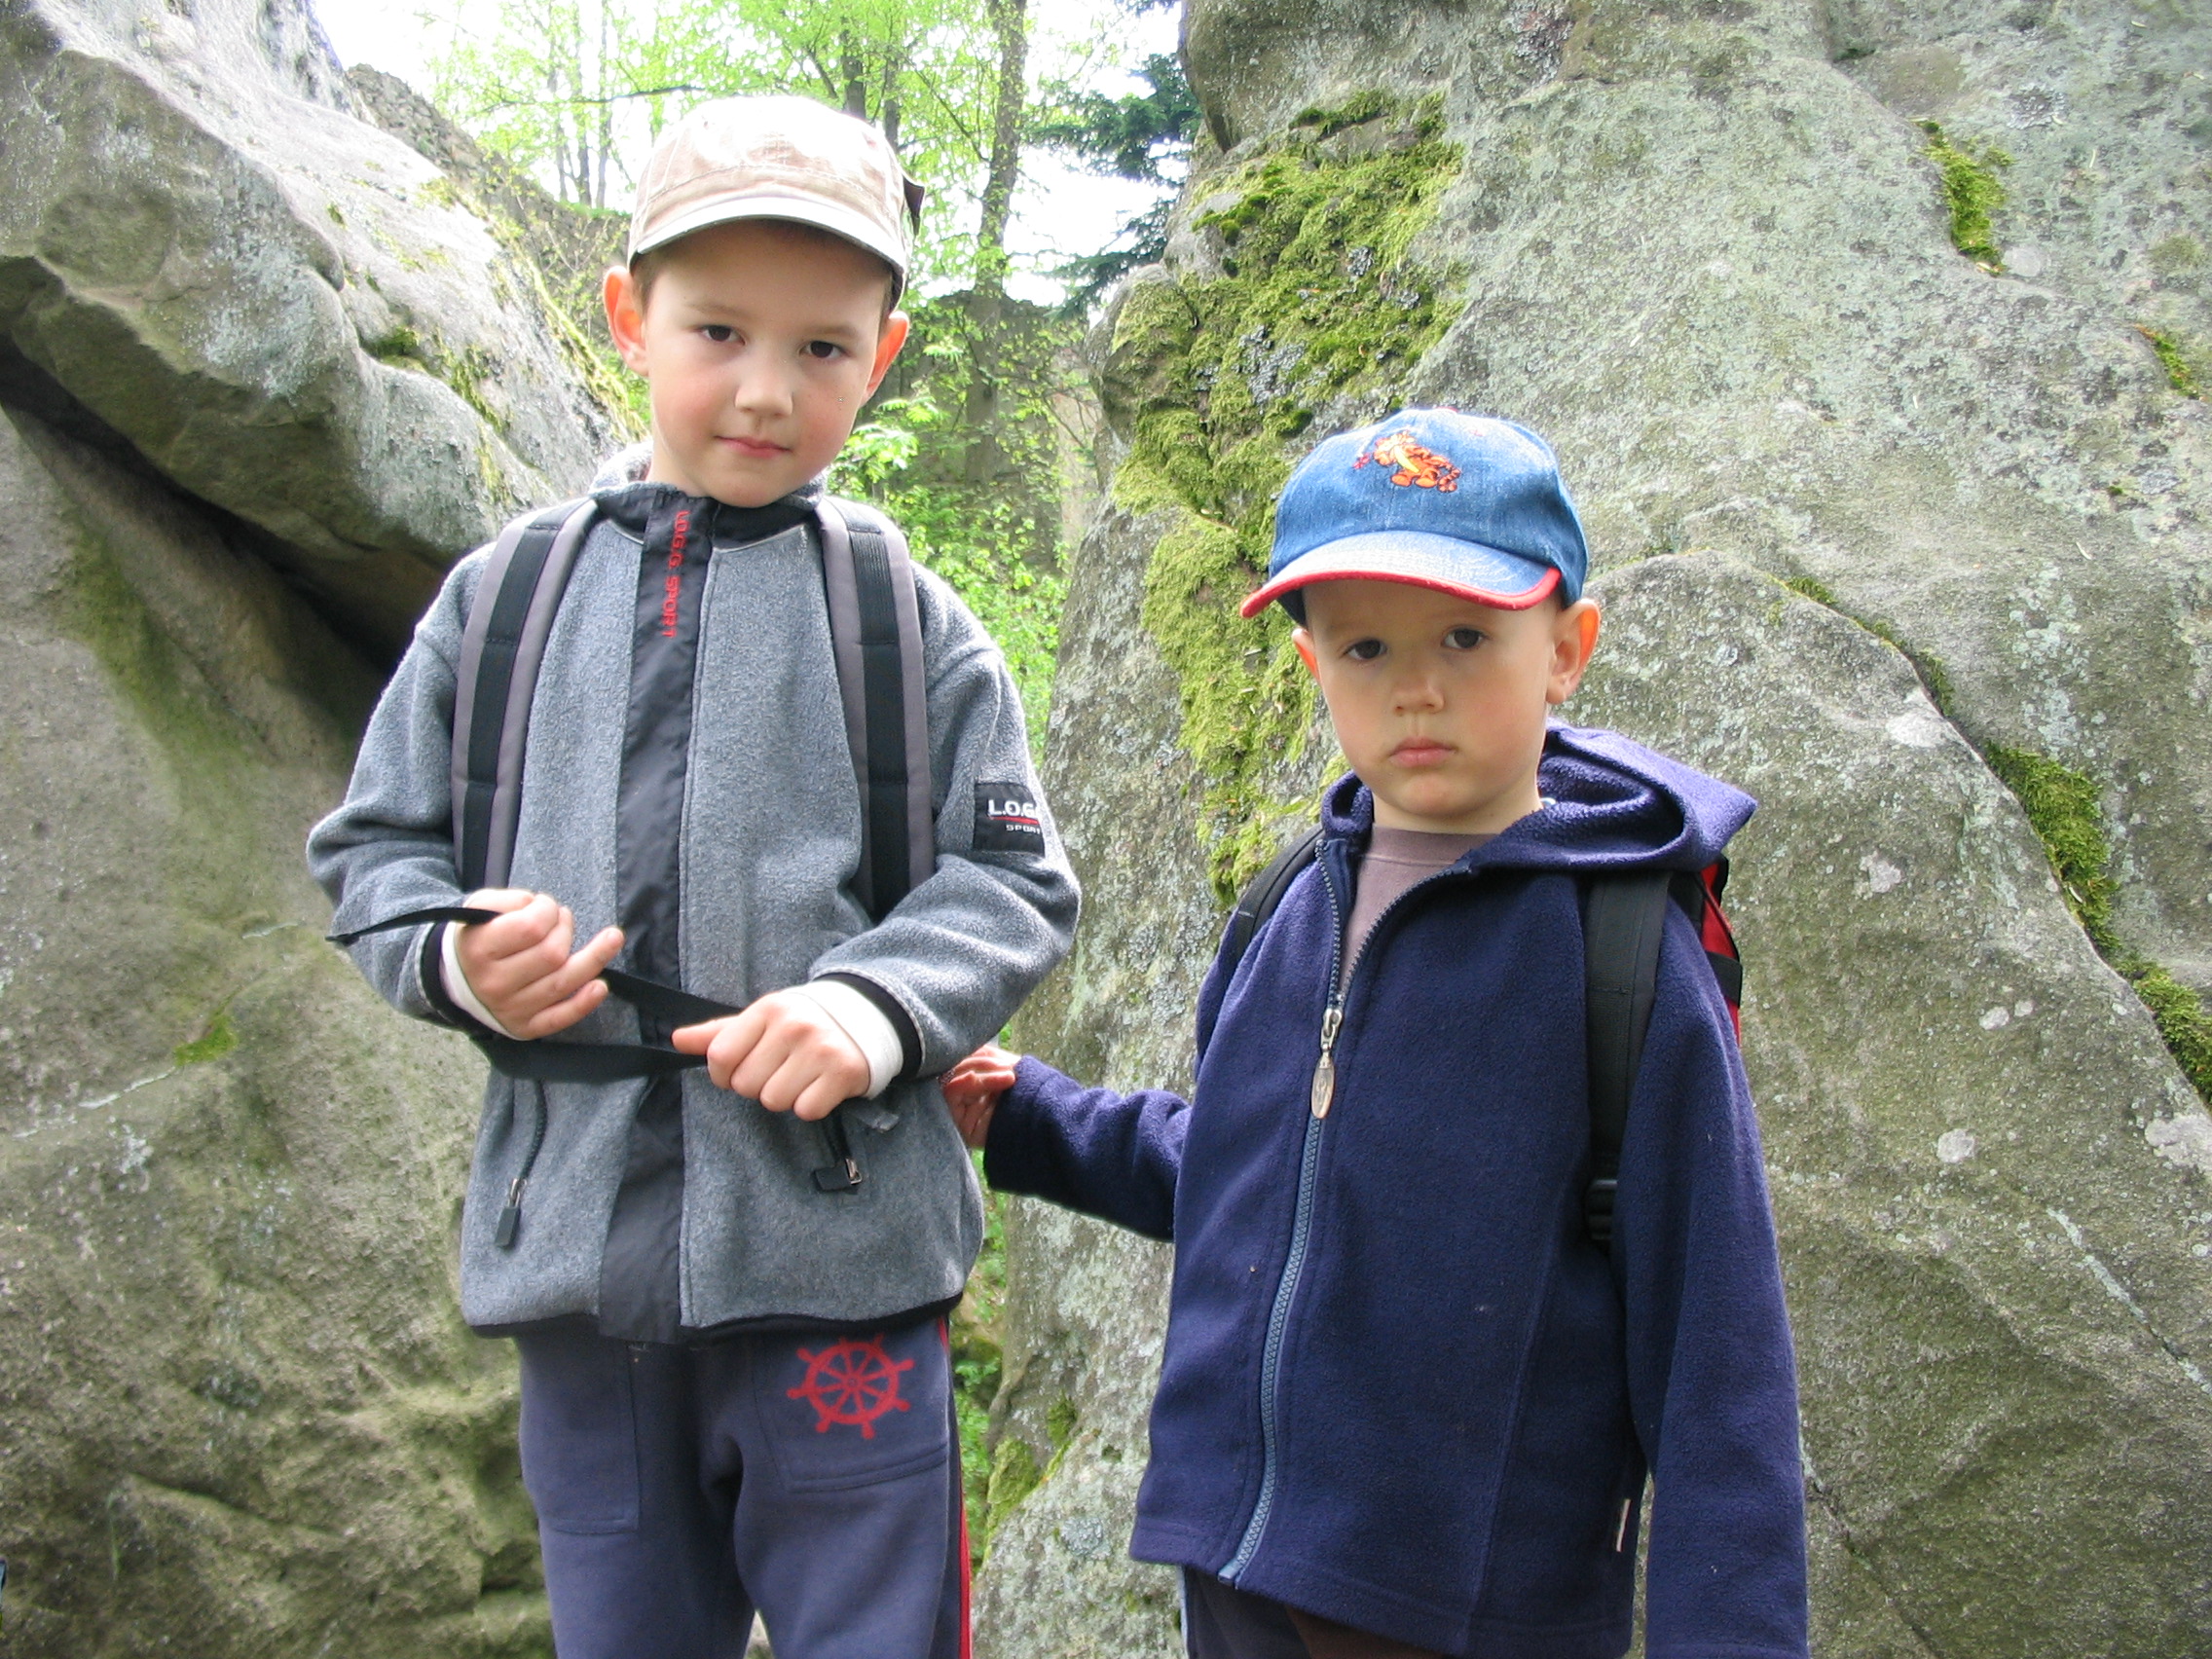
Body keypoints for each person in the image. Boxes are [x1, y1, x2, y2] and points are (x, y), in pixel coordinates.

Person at [309, 95, 1078, 1659]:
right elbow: (374, 853)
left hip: (846, 1278)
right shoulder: (505, 602)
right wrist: (457, 958)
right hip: (579, 1289)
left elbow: (1012, 881)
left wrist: (871, 1008)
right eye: (718, 330)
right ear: (628, 315)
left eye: (823, 347)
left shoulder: (908, 622)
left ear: (885, 355)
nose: (765, 388)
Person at [943, 410, 1807, 1659]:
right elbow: (1253, 1175)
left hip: (1461, 1607)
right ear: (1312, 665)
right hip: (1231, 1558)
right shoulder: (1291, 901)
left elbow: (1715, 1343)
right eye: (1364, 646)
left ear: (1567, 649)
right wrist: (1035, 1118)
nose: (1416, 687)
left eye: (1466, 635)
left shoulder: (1621, 952)